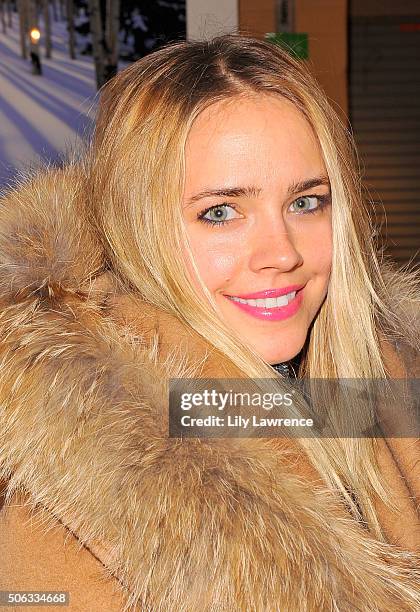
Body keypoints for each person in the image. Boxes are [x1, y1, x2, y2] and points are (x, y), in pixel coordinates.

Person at [0, 34, 419, 611]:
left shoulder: (384, 384)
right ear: (137, 229)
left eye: (306, 202)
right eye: (220, 212)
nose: (282, 253)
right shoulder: (72, 491)